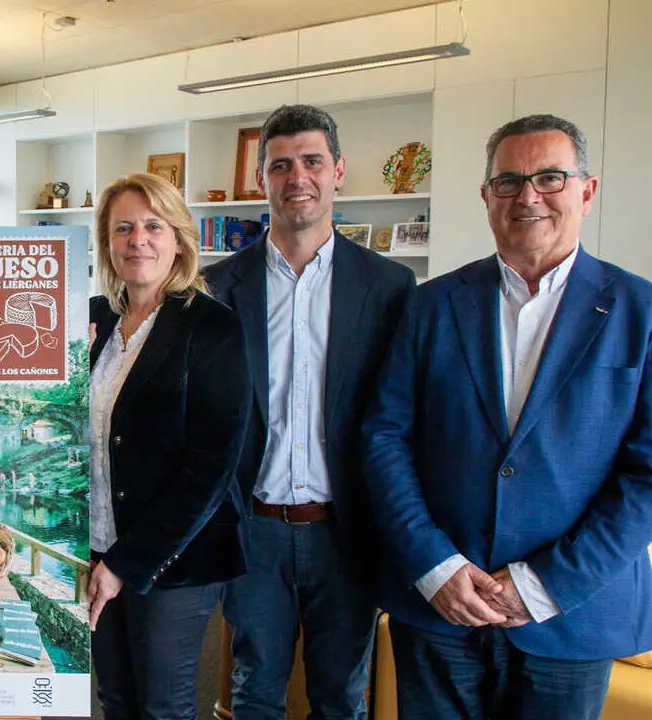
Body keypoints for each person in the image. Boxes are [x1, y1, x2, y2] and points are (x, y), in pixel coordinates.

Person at [363, 114, 652, 719]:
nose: (528, 196)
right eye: (509, 181)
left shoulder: (641, 311)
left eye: (550, 178)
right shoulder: (430, 305)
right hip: (441, 605)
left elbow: (646, 476)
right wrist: (434, 565)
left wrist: (545, 584)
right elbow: (385, 437)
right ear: (486, 196)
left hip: (571, 613)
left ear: (587, 191)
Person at [204, 104, 415, 719]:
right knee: (254, 691)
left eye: (313, 161)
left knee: (341, 698)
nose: (298, 177)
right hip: (253, 530)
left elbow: (400, 417)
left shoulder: (390, 287)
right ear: (262, 180)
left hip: (346, 530)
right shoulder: (216, 288)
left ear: (339, 171)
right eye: (281, 165)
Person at [88, 172, 252, 720]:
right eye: (123, 228)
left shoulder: (212, 327)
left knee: (164, 705)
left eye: (153, 226)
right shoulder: (92, 321)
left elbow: (211, 467)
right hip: (96, 544)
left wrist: (125, 564)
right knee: (115, 698)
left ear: (179, 239)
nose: (138, 240)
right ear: (107, 242)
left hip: (174, 559)